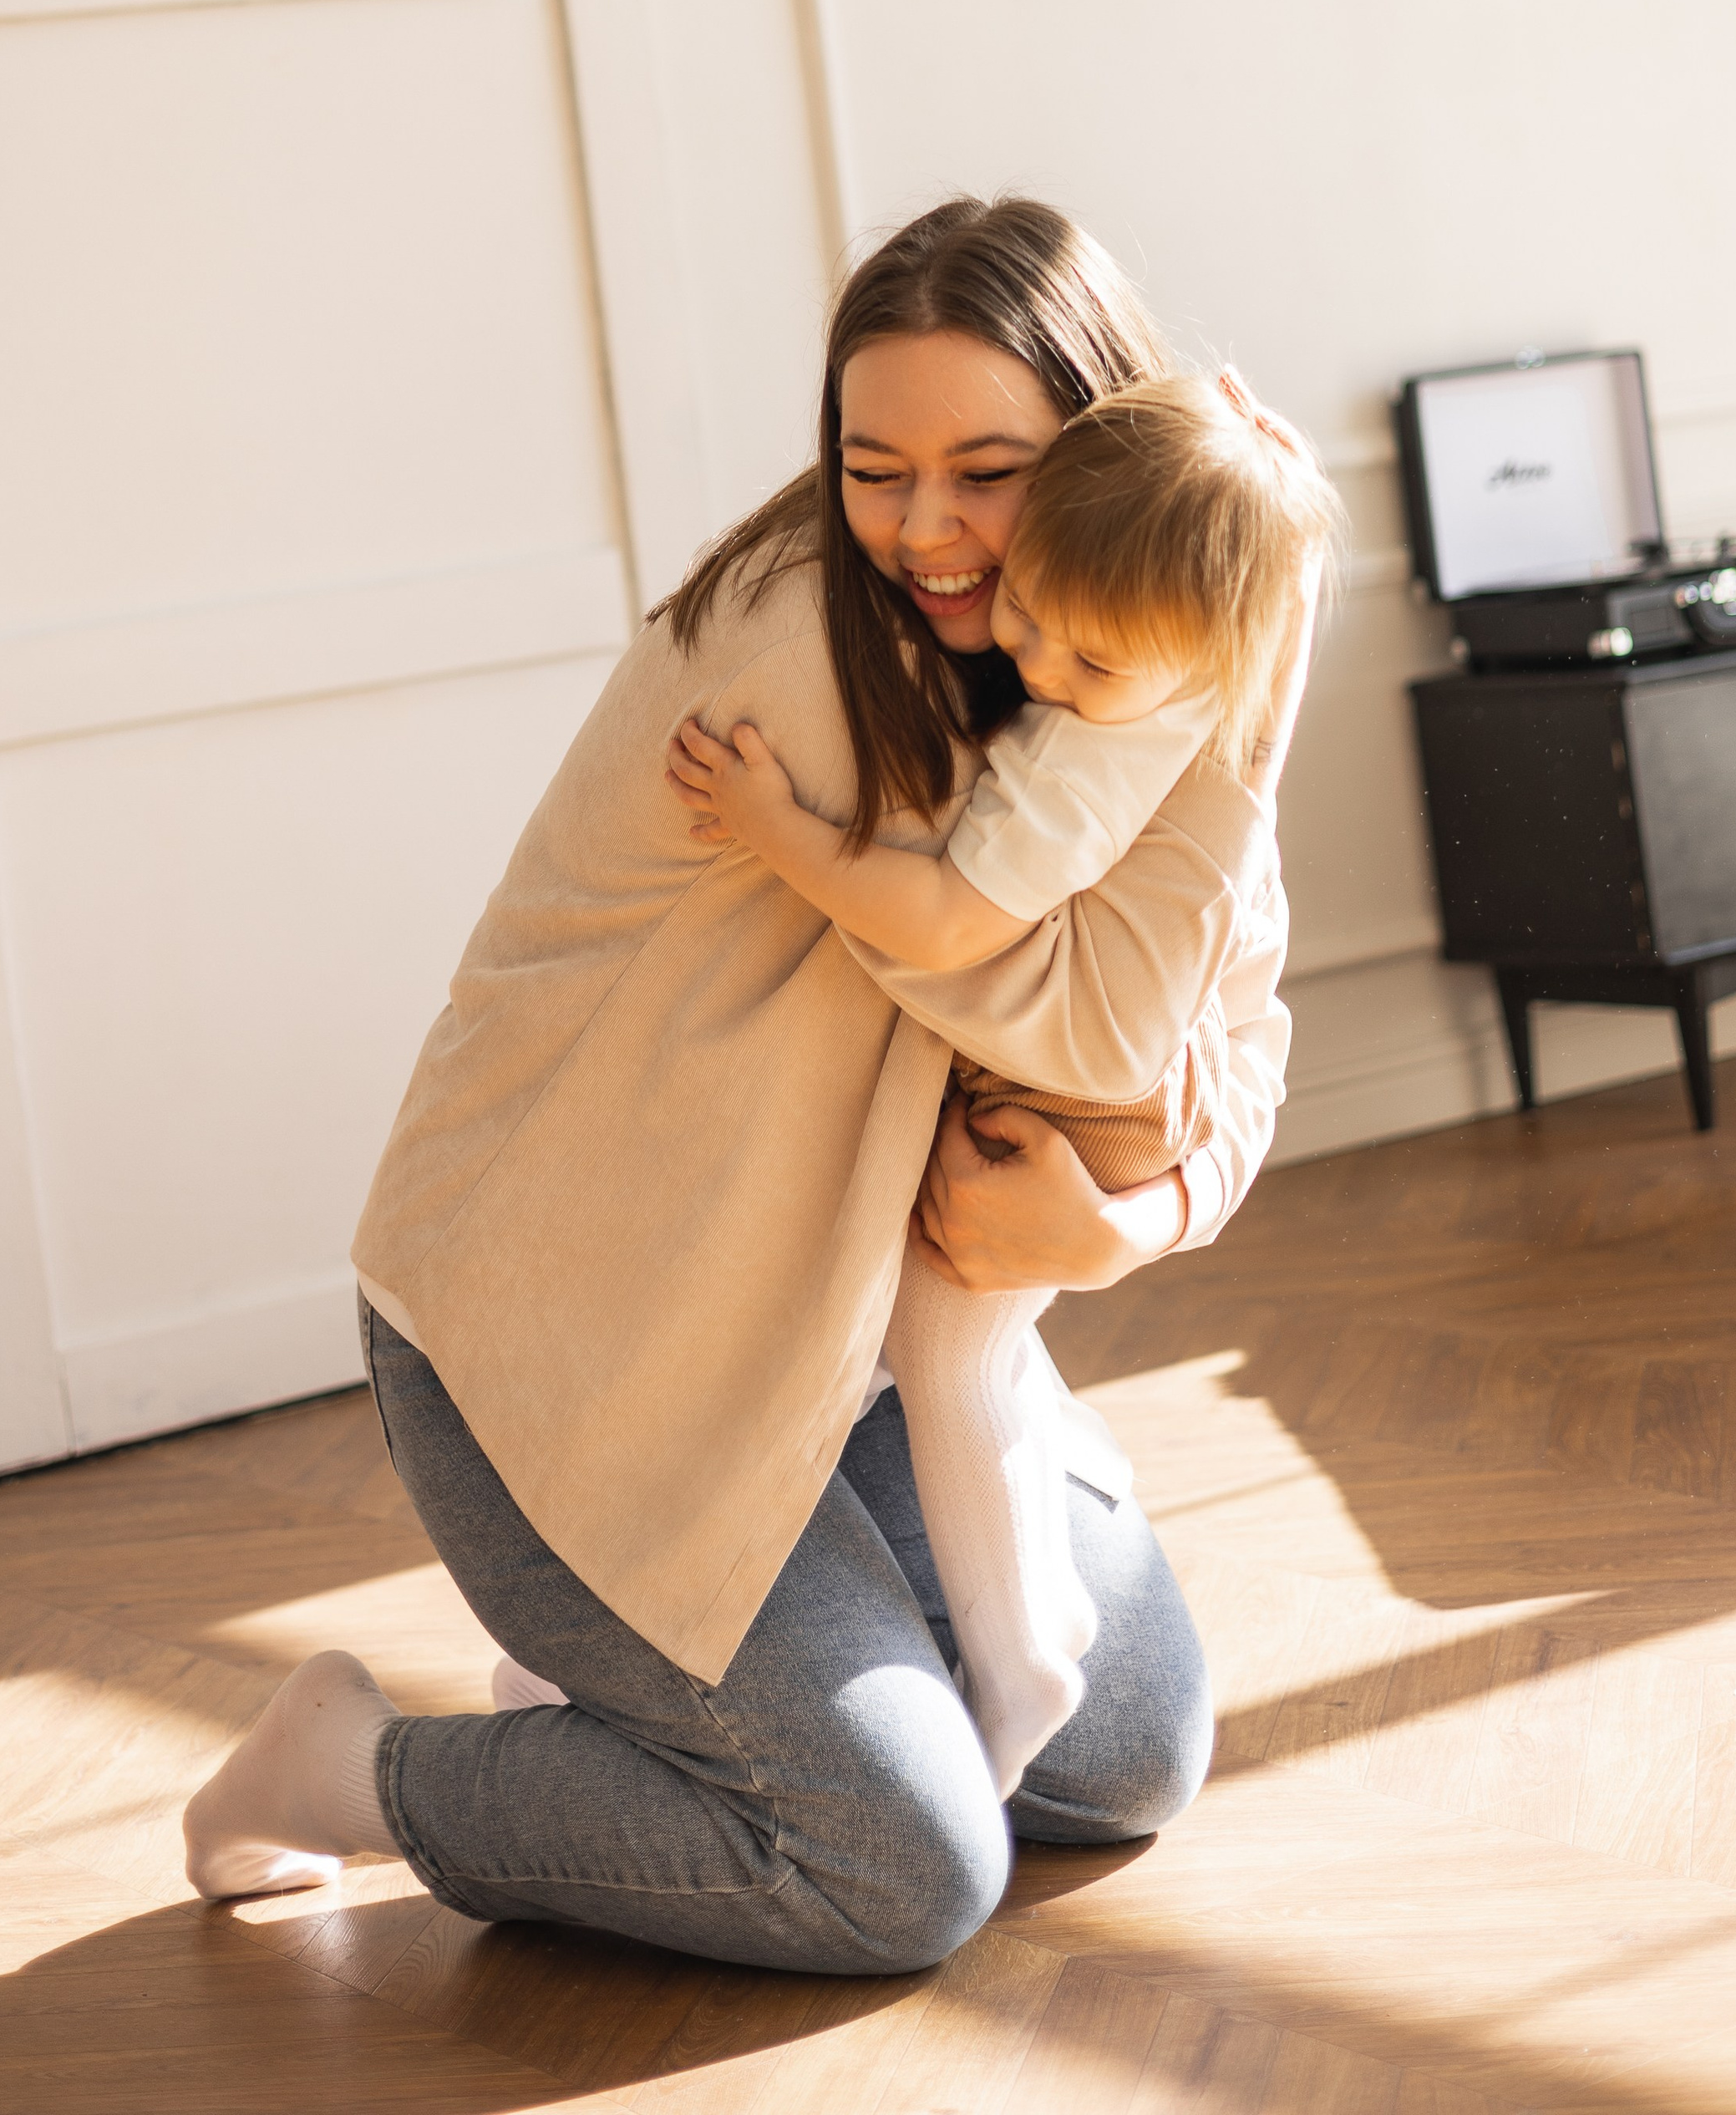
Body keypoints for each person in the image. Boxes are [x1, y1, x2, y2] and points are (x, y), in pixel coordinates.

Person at [182, 196, 1313, 1977]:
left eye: (986, 470)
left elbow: (1231, 1017)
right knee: (897, 1870)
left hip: (835, 1336)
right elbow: (1084, 1032)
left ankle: (680, 1693)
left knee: (1126, 1748)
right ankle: (353, 1767)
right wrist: (1267, 684)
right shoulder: (807, 671)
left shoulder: (1116, 641)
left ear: (1104, 456)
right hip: (575, 1345)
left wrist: (1136, 1213)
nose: (925, 531)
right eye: (875, 468)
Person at [667, 369, 1337, 1797]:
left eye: (1088, 664)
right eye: (1028, 612)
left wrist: (775, 828)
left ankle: (1024, 1652)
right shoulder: (1191, 667)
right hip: (1111, 1103)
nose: (1037, 669)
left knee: (950, 1347)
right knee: (936, 1346)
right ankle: (1016, 1611)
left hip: (1084, 1115)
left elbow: (944, 924)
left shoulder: (1096, 766)